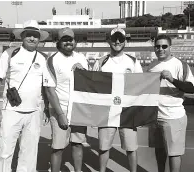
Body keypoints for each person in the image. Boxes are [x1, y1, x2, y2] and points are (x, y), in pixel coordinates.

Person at [0, 20, 49, 172]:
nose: (32, 38)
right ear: (22, 36)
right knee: (4, 151)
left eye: (35, 36)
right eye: (29, 35)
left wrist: (46, 108)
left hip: (34, 112)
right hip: (11, 111)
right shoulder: (10, 53)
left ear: (39, 38)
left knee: (29, 154)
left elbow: (46, 86)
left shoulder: (43, 58)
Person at [93, 27, 143, 172]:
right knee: (103, 147)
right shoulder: (101, 62)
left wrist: (138, 112)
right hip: (106, 111)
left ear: (125, 41)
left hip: (127, 111)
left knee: (131, 148)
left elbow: (139, 86)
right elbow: (93, 87)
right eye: (114, 38)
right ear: (109, 40)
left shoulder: (133, 62)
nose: (117, 41)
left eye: (120, 38)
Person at [43, 27, 88, 172]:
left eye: (71, 39)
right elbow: (50, 90)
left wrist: (83, 71)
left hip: (78, 109)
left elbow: (88, 84)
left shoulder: (82, 58)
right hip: (59, 109)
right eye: (64, 39)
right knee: (58, 147)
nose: (68, 42)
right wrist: (60, 115)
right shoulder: (52, 60)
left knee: (77, 144)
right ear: (58, 41)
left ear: (75, 41)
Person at [148, 34, 194, 172]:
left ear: (170, 47)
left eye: (164, 46)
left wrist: (172, 79)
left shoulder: (180, 65)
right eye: (157, 46)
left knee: (174, 153)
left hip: (173, 116)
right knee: (159, 150)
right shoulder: (152, 65)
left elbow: (191, 88)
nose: (160, 49)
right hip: (155, 116)